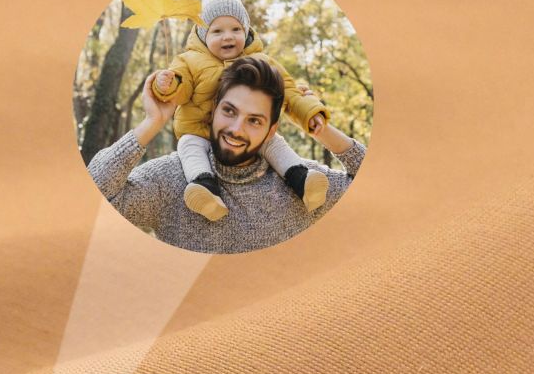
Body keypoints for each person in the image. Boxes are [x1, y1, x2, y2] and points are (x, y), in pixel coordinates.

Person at [87, 56, 364, 255]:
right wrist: (152, 123)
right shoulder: (169, 180)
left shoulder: (305, 186)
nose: (236, 129)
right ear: (214, 110)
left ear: (271, 130)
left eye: (254, 120)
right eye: (229, 111)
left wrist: (320, 127)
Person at [150, 0, 335, 220]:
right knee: (189, 146)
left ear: (246, 31)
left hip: (247, 132)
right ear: (202, 34)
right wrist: (167, 85)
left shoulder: (261, 60)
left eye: (236, 29)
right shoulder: (189, 60)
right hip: (198, 130)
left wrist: (310, 112)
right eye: (217, 31)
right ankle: (205, 189)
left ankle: (302, 180)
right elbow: (181, 88)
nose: (228, 37)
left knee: (272, 142)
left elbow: (289, 91)